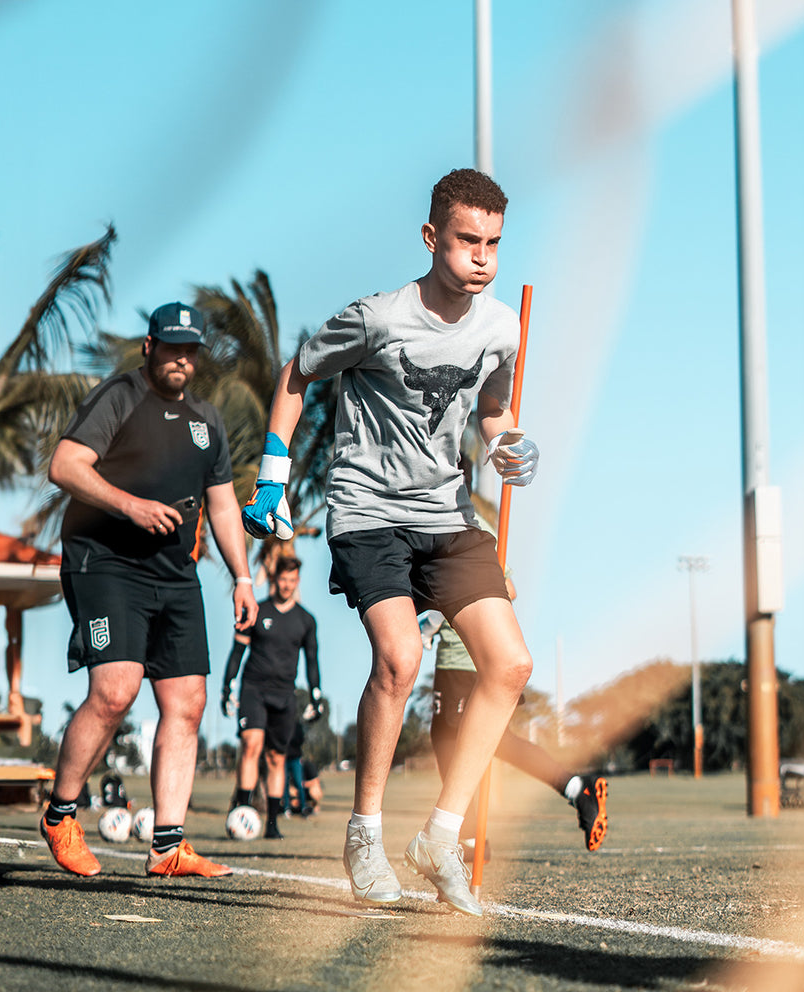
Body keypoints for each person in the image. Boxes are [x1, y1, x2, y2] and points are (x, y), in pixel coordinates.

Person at [242, 168, 539, 916]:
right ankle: (364, 833)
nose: (482, 258)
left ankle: (439, 837)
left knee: (510, 665)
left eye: (494, 244)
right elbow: (297, 373)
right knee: (401, 659)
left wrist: (508, 445)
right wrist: (273, 474)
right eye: (467, 241)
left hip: (446, 514)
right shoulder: (377, 318)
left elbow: (494, 409)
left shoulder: (502, 328)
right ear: (432, 237)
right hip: (368, 510)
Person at [41, 301, 259, 878]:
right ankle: (60, 816)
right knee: (116, 691)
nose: (180, 359)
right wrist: (129, 505)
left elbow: (223, 506)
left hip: (175, 574)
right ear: (149, 347)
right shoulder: (120, 396)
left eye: (190, 351)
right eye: (171, 348)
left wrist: (242, 577)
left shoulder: (207, 421)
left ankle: (168, 846)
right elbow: (65, 465)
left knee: (187, 702)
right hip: (105, 563)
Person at [423, 458, 608, 859]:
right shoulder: (441, 521)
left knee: (457, 740)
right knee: (486, 741)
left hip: (467, 658)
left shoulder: (466, 526)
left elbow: (505, 588)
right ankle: (575, 788)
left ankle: (470, 838)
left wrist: (439, 613)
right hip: (455, 658)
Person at [221, 554, 321, 839]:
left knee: (277, 757)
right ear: (275, 579)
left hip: (285, 694)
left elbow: (312, 661)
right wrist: (227, 686)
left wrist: (316, 694)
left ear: (297, 581)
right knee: (251, 745)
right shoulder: (256, 611)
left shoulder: (306, 620)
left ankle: (273, 824)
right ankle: (242, 811)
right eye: (283, 579)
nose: (287, 585)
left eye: (292, 580)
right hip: (253, 688)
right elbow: (237, 651)